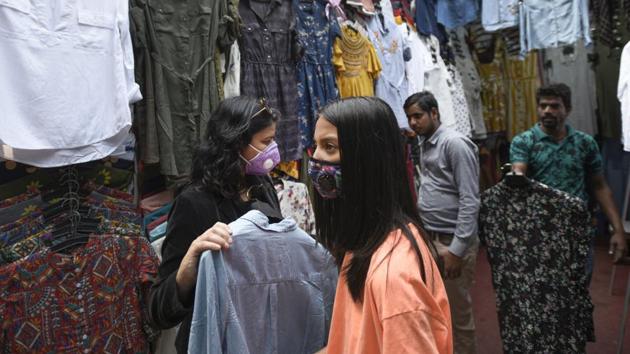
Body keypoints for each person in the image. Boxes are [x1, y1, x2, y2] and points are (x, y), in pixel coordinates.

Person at [310, 97, 452, 354]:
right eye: (316, 145)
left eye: (329, 147)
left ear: (366, 160)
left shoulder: (393, 277)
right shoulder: (369, 241)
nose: (316, 157)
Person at [146, 96, 283, 353]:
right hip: (213, 340)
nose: (273, 149)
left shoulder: (261, 185)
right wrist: (191, 261)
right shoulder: (194, 202)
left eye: (273, 139)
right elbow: (158, 311)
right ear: (237, 144)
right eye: (266, 142)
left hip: (258, 335)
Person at [510, 83, 628, 276]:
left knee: (578, 291)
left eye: (555, 106)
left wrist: (618, 230)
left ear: (568, 109)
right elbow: (518, 173)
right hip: (540, 232)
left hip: (577, 231)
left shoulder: (584, 143)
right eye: (543, 106)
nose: (547, 111)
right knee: (543, 294)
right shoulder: (524, 141)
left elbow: (600, 186)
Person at [404, 91, 480, 354]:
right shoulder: (425, 143)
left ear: (434, 113)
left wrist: (457, 250)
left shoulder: (455, 144)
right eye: (409, 118)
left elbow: (471, 200)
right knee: (435, 309)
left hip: (451, 242)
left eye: (418, 116)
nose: (413, 123)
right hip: (431, 238)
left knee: (458, 315)